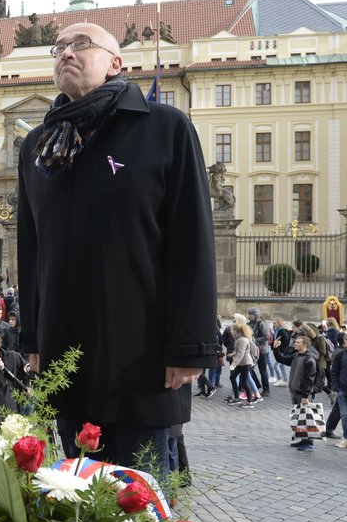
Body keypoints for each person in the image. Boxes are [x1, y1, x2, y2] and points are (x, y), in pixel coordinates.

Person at [16, 23, 217, 471]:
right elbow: (30, 253)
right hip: (65, 350)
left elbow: (193, 241)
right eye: (60, 47)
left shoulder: (164, 127)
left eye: (82, 45)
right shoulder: (38, 146)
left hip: (139, 354)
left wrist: (191, 346)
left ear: (115, 63)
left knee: (139, 508)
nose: (67, 52)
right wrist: (32, 338)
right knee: (75, 498)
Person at [227, 323, 257, 408]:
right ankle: (236, 398)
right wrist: (232, 354)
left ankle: (249, 402)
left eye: (232, 329)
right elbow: (238, 351)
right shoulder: (238, 339)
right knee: (232, 377)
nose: (230, 331)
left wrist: (233, 365)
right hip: (241, 363)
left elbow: (241, 354)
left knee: (244, 382)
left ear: (236, 331)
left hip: (245, 363)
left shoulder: (242, 340)